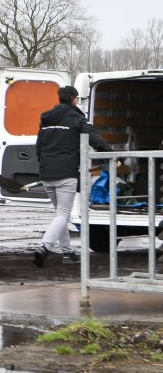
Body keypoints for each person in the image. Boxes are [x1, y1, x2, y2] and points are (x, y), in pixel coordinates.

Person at [34, 85, 113, 267]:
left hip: (47, 173)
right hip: (66, 174)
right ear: (75, 100)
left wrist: (44, 166)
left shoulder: (46, 119)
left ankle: (67, 251)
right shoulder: (77, 119)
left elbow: (39, 147)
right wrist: (112, 156)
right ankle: (44, 247)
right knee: (63, 214)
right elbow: (95, 139)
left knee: (60, 215)